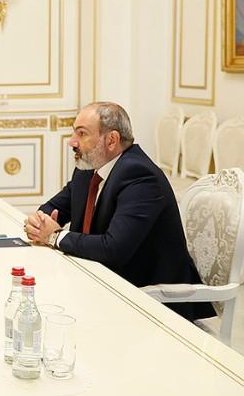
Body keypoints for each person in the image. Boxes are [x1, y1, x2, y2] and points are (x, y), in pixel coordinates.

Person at [23, 102, 214, 321]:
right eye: (74, 132)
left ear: (111, 140)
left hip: (151, 302)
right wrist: (38, 222)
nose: (72, 142)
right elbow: (53, 209)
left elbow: (113, 249)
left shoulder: (140, 176)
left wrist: (54, 236)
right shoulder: (88, 168)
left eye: (82, 134)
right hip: (105, 283)